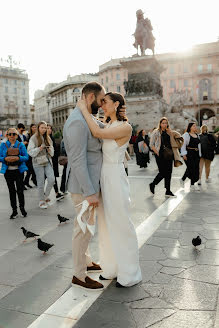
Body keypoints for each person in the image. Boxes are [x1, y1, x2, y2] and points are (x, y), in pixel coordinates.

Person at [78, 91, 142, 288]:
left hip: (115, 178)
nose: (101, 105)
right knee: (105, 225)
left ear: (116, 104)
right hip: (105, 178)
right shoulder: (110, 124)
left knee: (121, 224)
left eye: (104, 102)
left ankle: (130, 273)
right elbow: (97, 130)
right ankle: (111, 268)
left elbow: (97, 133)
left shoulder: (125, 127)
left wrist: (83, 109)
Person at [149, 117, 183, 197]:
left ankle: (168, 190)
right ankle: (153, 184)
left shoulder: (169, 132)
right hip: (160, 155)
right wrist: (157, 152)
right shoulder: (156, 132)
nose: (164, 124)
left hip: (169, 155)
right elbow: (151, 144)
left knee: (169, 173)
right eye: (163, 123)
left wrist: (171, 132)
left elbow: (178, 137)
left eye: (166, 123)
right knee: (162, 173)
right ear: (160, 124)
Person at [0, 128, 28, 219]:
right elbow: (0, 157)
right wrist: (5, 159)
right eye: (10, 134)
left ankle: (22, 209)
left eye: (14, 134)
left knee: (20, 190)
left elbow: (26, 157)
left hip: (18, 171)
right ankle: (14, 211)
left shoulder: (20, 145)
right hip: (8, 172)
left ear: (17, 135)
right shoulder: (3, 145)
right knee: (11, 191)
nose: (12, 136)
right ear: (7, 135)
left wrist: (18, 158)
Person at [27, 121, 55, 209]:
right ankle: (41, 201)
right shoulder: (33, 138)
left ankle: (45, 196)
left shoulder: (48, 138)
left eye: (45, 128)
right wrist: (39, 148)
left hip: (47, 161)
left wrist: (50, 150)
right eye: (42, 127)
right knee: (41, 182)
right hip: (37, 162)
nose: (44, 129)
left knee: (51, 179)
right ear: (38, 128)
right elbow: (30, 152)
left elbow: (52, 152)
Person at [180, 122, 201, 191]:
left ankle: (188, 182)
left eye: (195, 126)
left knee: (195, 169)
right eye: (194, 126)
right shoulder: (186, 135)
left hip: (196, 154)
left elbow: (199, 145)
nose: (195, 127)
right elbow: (183, 145)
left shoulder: (197, 135)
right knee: (190, 168)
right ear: (190, 127)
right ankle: (190, 184)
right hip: (189, 153)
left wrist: (200, 154)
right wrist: (184, 154)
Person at [47, 124, 64, 200]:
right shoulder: (43, 139)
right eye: (47, 128)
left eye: (50, 128)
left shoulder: (52, 138)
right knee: (46, 178)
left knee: (53, 177)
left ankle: (57, 193)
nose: (49, 130)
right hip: (46, 161)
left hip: (53, 160)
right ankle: (45, 195)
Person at [24, 124, 37, 188]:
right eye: (33, 127)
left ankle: (26, 182)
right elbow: (26, 143)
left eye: (35, 127)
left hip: (35, 154)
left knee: (32, 170)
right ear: (31, 128)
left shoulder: (37, 135)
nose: (34, 128)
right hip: (29, 155)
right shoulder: (28, 135)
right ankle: (28, 182)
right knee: (30, 170)